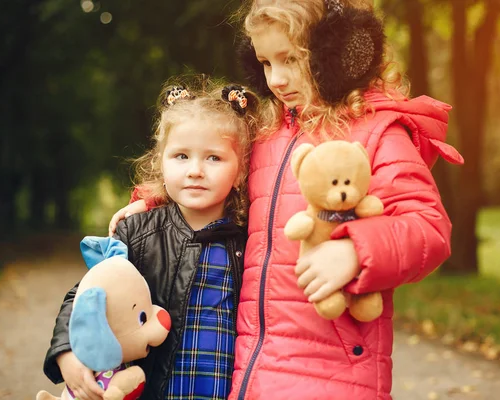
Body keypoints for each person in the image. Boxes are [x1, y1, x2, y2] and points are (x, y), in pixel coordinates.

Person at [110, 0, 464, 398]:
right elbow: (213, 178)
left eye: (291, 59)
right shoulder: (267, 131)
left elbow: (429, 227)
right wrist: (153, 201)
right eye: (265, 62)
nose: (276, 79)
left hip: (334, 376)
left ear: (338, 51)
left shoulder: (378, 132)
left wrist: (355, 251)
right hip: (251, 371)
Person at [42, 78, 259, 400]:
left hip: (222, 388)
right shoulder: (139, 233)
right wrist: (66, 351)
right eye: (181, 156)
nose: (196, 170)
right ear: (161, 161)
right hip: (153, 390)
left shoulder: (250, 240)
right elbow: (86, 294)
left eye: (214, 158)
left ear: (241, 169)